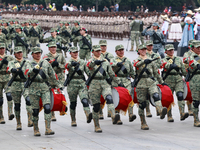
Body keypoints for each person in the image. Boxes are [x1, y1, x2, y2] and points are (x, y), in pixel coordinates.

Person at [28, 47, 62, 136]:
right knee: (35, 110)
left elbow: (52, 75)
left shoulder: (46, 63)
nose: (38, 54)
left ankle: (48, 128)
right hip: (33, 88)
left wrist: (58, 85)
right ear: (32, 54)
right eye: (36, 53)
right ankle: (36, 129)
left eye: (39, 53)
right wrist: (32, 70)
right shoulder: (28, 63)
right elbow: (25, 72)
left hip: (45, 87)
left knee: (47, 107)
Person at [86, 45, 121, 133]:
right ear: (93, 52)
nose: (98, 52)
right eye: (96, 51)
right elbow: (89, 66)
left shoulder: (105, 61)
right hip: (94, 84)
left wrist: (119, 82)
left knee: (109, 98)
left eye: (99, 51)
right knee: (96, 106)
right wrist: (95, 62)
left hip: (104, 83)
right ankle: (97, 125)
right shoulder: (90, 61)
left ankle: (113, 115)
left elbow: (111, 73)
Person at [133, 44, 167, 130]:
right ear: (139, 51)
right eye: (142, 49)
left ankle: (160, 110)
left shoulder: (151, 60)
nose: (144, 51)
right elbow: (136, 65)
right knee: (142, 104)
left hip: (151, 82)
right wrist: (144, 62)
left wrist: (162, 82)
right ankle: (143, 122)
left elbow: (156, 72)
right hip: (141, 84)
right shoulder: (136, 60)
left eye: (145, 49)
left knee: (156, 95)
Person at [65, 47, 92, 126]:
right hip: (72, 84)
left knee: (84, 100)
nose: (75, 53)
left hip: (81, 83)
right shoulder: (69, 61)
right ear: (70, 53)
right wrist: (71, 64)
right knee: (73, 103)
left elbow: (88, 72)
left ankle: (88, 115)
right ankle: (73, 120)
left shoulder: (82, 62)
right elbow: (66, 66)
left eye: (76, 52)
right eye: (74, 52)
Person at [7, 47, 33, 130]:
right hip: (16, 84)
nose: (19, 54)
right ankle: (18, 123)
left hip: (25, 83)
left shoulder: (26, 62)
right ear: (14, 54)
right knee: (17, 105)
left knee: (28, 100)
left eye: (20, 52)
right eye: (17, 53)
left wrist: (26, 72)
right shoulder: (12, 62)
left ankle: (30, 119)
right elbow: (9, 69)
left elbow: (30, 70)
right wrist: (13, 70)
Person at [162, 44, 188, 122]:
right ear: (166, 51)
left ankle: (182, 113)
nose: (171, 51)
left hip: (178, 79)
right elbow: (165, 65)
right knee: (169, 98)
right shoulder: (164, 59)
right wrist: (172, 65)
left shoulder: (178, 59)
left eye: (172, 50)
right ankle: (169, 115)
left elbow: (183, 70)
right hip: (168, 79)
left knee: (180, 95)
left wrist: (186, 77)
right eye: (169, 50)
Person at [111, 44, 136, 124]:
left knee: (129, 96)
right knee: (117, 98)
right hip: (116, 81)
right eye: (119, 50)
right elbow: (111, 67)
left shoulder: (127, 60)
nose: (121, 51)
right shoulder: (113, 59)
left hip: (126, 81)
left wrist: (136, 78)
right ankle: (116, 117)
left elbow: (131, 71)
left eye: (122, 50)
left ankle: (131, 114)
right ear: (116, 51)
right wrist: (116, 65)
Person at [43, 42, 66, 122]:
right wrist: (51, 64)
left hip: (59, 77)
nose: (53, 49)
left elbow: (65, 66)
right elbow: (44, 66)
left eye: (54, 47)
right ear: (49, 48)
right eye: (51, 47)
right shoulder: (46, 56)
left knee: (60, 93)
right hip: (50, 78)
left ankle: (62, 108)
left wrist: (58, 64)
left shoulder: (60, 55)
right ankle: (52, 114)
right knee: (50, 95)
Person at [145, 40, 161, 117]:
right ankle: (148, 111)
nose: (150, 47)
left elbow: (159, 63)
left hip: (154, 76)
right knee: (147, 94)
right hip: (147, 77)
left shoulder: (156, 55)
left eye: (151, 45)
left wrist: (152, 64)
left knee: (156, 93)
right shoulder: (144, 54)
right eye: (148, 45)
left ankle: (158, 109)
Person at [0, 43, 15, 124]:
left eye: (3, 48)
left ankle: (10, 113)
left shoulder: (9, 57)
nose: (1, 50)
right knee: (0, 100)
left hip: (7, 78)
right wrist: (2, 63)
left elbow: (15, 65)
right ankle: (1, 117)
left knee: (9, 95)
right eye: (0, 48)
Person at [187, 40, 200, 127]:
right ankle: (196, 120)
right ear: (193, 48)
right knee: (196, 101)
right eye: (197, 48)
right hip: (195, 79)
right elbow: (195, 64)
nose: (199, 49)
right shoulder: (191, 57)